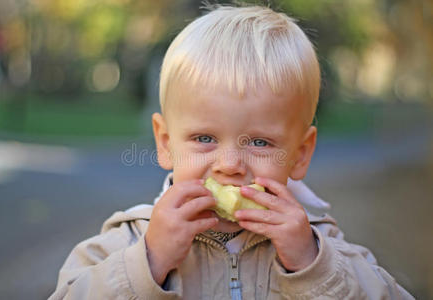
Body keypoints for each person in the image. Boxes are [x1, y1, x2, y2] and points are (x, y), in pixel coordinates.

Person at [49, 4, 414, 299]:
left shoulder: (322, 246)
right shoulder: (127, 242)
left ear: (301, 154)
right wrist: (148, 263)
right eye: (205, 139)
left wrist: (312, 266)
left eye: (259, 142)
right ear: (165, 143)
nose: (229, 166)